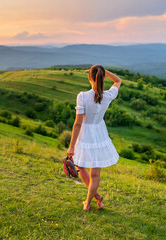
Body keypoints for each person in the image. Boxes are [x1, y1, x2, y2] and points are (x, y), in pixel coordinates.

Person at [66, 65, 122, 211]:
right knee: (95, 174)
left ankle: (90, 201)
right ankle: (93, 200)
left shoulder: (82, 96)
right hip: (100, 133)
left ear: (89, 77)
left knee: (80, 165)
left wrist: (71, 146)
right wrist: (104, 71)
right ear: (104, 78)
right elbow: (118, 81)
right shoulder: (108, 95)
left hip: (85, 134)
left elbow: (78, 123)